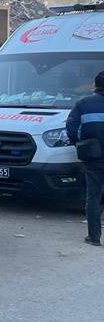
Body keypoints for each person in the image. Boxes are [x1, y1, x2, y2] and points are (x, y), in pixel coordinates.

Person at [65, 70, 104, 246]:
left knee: (93, 196)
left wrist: (80, 144)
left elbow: (71, 128)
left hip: (93, 156)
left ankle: (94, 237)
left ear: (95, 85)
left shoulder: (83, 103)